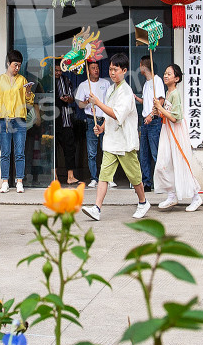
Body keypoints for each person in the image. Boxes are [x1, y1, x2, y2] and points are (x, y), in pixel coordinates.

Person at [81, 53, 148, 221]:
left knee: (134, 177)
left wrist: (97, 103)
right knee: (104, 175)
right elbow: (109, 116)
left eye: (115, 70)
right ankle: (97, 208)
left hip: (125, 142)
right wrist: (102, 127)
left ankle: (143, 201)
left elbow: (117, 115)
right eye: (110, 69)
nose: (112, 73)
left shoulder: (126, 91)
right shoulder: (111, 89)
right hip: (111, 142)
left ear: (124, 70)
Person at [153, 64, 203, 212]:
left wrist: (160, 108)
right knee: (163, 163)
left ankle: (195, 196)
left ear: (177, 78)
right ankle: (171, 194)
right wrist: (158, 111)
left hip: (175, 133)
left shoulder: (175, 94)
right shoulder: (168, 94)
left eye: (169, 74)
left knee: (181, 164)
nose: (166, 75)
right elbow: (166, 116)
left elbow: (176, 118)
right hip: (166, 131)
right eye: (165, 73)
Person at [0, 50, 34, 193]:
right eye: (15, 65)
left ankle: (19, 181)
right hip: (4, 120)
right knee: (5, 152)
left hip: (19, 120)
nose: (17, 68)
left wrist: (28, 92)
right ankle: (5, 181)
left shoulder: (22, 80)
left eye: (19, 65)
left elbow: (29, 102)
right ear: (8, 63)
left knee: (20, 152)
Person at [76, 60, 111, 188]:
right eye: (93, 68)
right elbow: (80, 104)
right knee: (92, 152)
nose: (96, 70)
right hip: (91, 120)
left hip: (104, 119)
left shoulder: (106, 83)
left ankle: (107, 178)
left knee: (107, 149)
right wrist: (88, 102)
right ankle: (94, 178)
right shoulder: (84, 85)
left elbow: (110, 101)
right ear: (88, 70)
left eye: (97, 68)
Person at [136, 55, 165, 193]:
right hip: (145, 122)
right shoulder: (147, 83)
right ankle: (146, 182)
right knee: (144, 154)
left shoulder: (156, 81)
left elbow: (160, 102)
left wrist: (151, 115)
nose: (139, 67)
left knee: (155, 153)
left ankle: (162, 183)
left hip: (153, 122)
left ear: (143, 65)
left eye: (140, 65)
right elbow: (146, 102)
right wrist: (136, 98)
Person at [53, 61, 79, 185]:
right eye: (56, 70)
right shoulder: (47, 81)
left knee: (69, 148)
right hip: (52, 120)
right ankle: (54, 177)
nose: (58, 72)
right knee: (53, 150)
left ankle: (70, 176)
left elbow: (72, 98)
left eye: (60, 70)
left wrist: (68, 99)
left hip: (66, 119)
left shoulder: (66, 80)